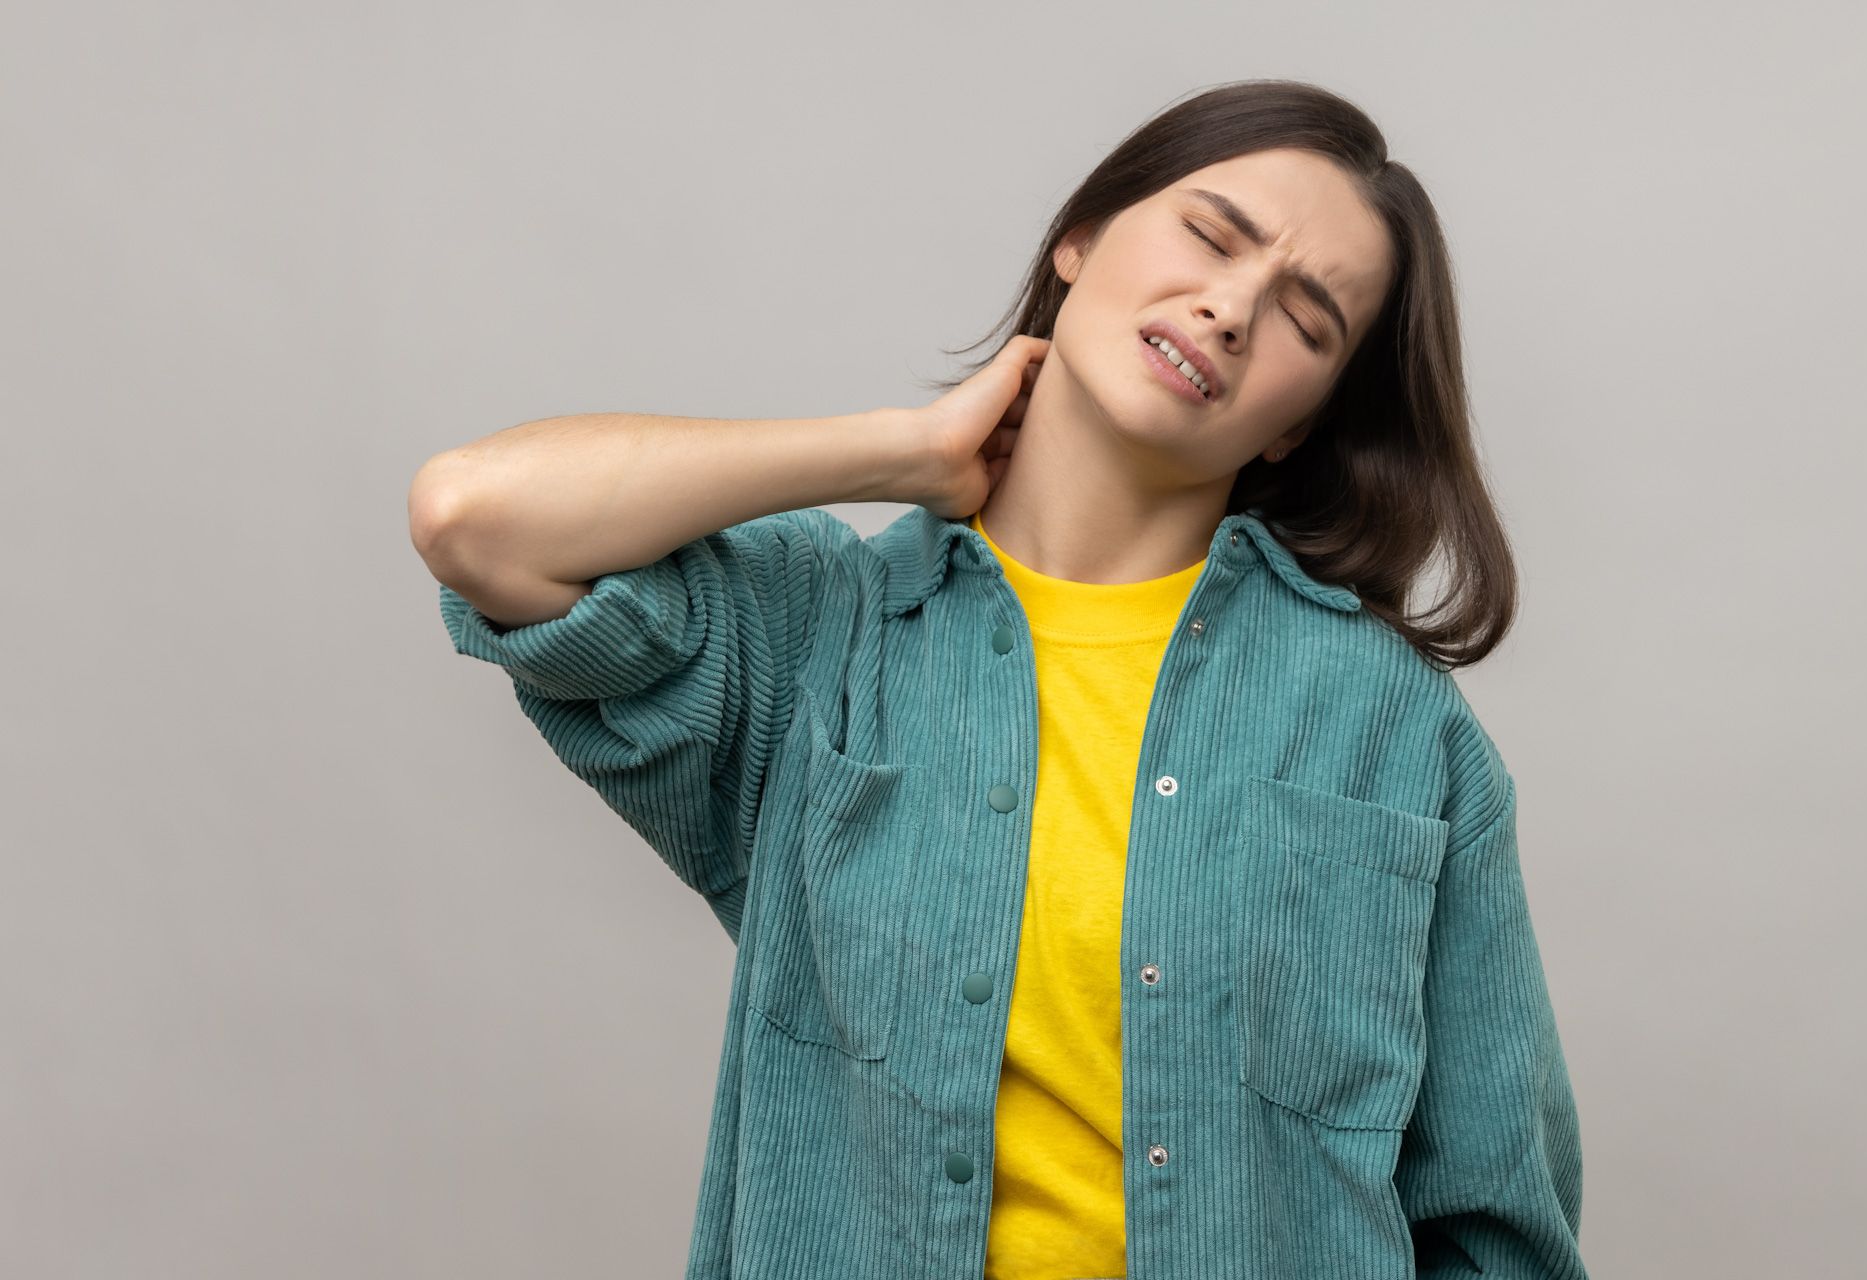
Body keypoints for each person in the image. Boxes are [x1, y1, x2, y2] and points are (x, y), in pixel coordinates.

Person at [410, 78, 1588, 1280]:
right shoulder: (823, 636)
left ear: (1301, 422)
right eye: (1210, 233)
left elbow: (1499, 1226)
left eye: (1307, 319)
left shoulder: (1391, 728)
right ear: (1080, 236)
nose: (1232, 308)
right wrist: (901, 451)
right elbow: (473, 519)